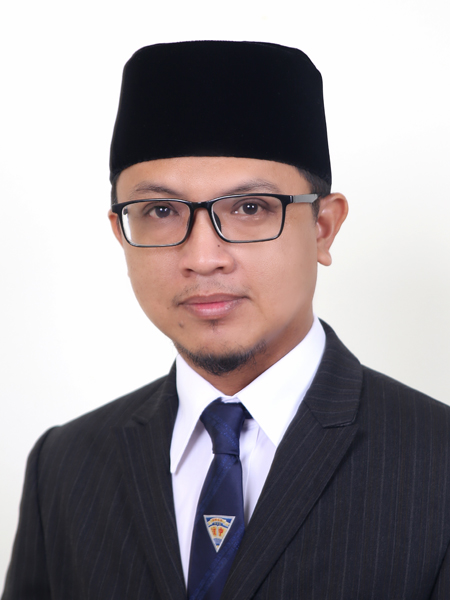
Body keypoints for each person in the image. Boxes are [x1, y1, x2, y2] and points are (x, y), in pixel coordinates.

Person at [2, 41, 449, 600]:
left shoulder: (437, 463)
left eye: (250, 208)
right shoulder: (65, 467)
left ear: (323, 228)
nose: (203, 257)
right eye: (161, 211)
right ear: (121, 234)